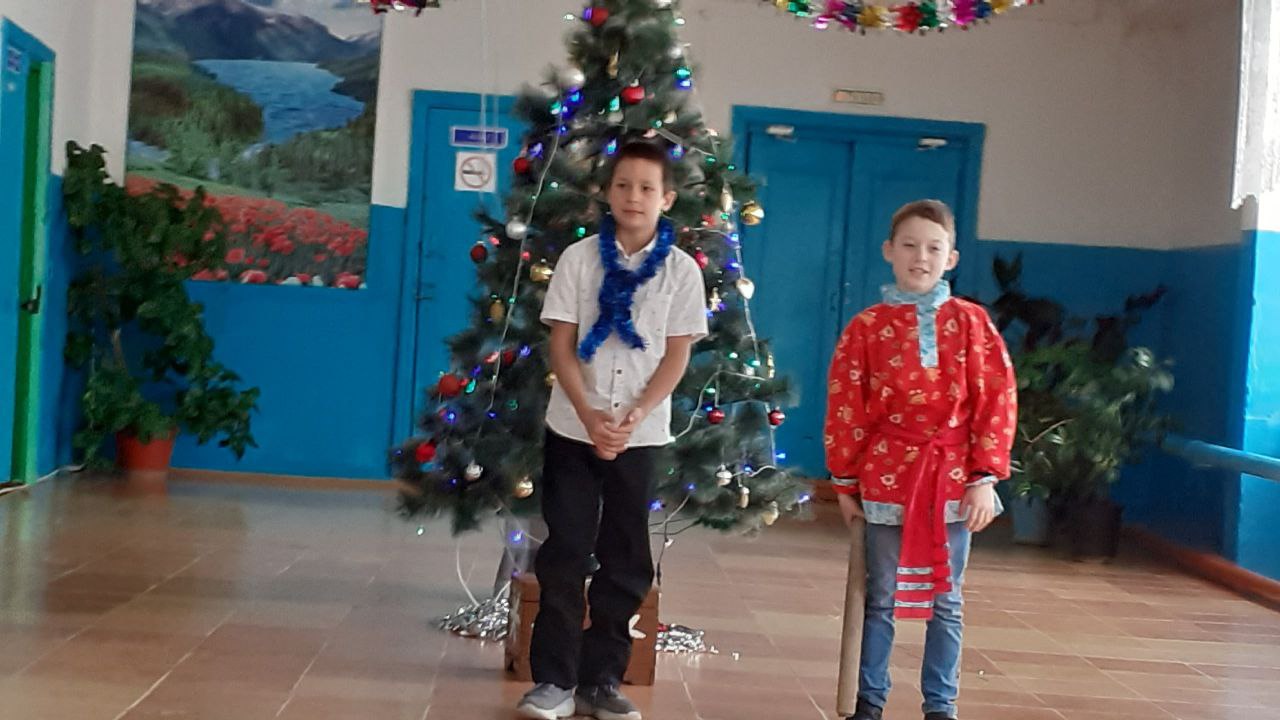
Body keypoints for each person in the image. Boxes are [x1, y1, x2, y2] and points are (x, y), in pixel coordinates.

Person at [516, 141, 708, 720]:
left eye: (647, 188)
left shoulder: (681, 271)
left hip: (639, 436)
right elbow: (561, 344)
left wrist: (635, 415)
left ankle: (602, 680)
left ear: (666, 199)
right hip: (574, 426)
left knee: (625, 556)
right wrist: (590, 413)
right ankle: (553, 681)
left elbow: (676, 355)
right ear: (607, 192)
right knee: (566, 549)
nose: (633, 197)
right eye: (623, 185)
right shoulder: (579, 260)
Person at [825, 199, 1017, 720]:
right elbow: (846, 406)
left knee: (946, 599)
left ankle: (940, 705)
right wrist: (844, 484)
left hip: (953, 478)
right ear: (889, 251)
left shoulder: (973, 324)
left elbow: (996, 399)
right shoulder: (865, 328)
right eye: (909, 245)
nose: (920, 257)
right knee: (881, 596)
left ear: (951, 258)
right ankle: (869, 700)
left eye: (933, 248)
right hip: (887, 477)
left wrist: (984, 478)